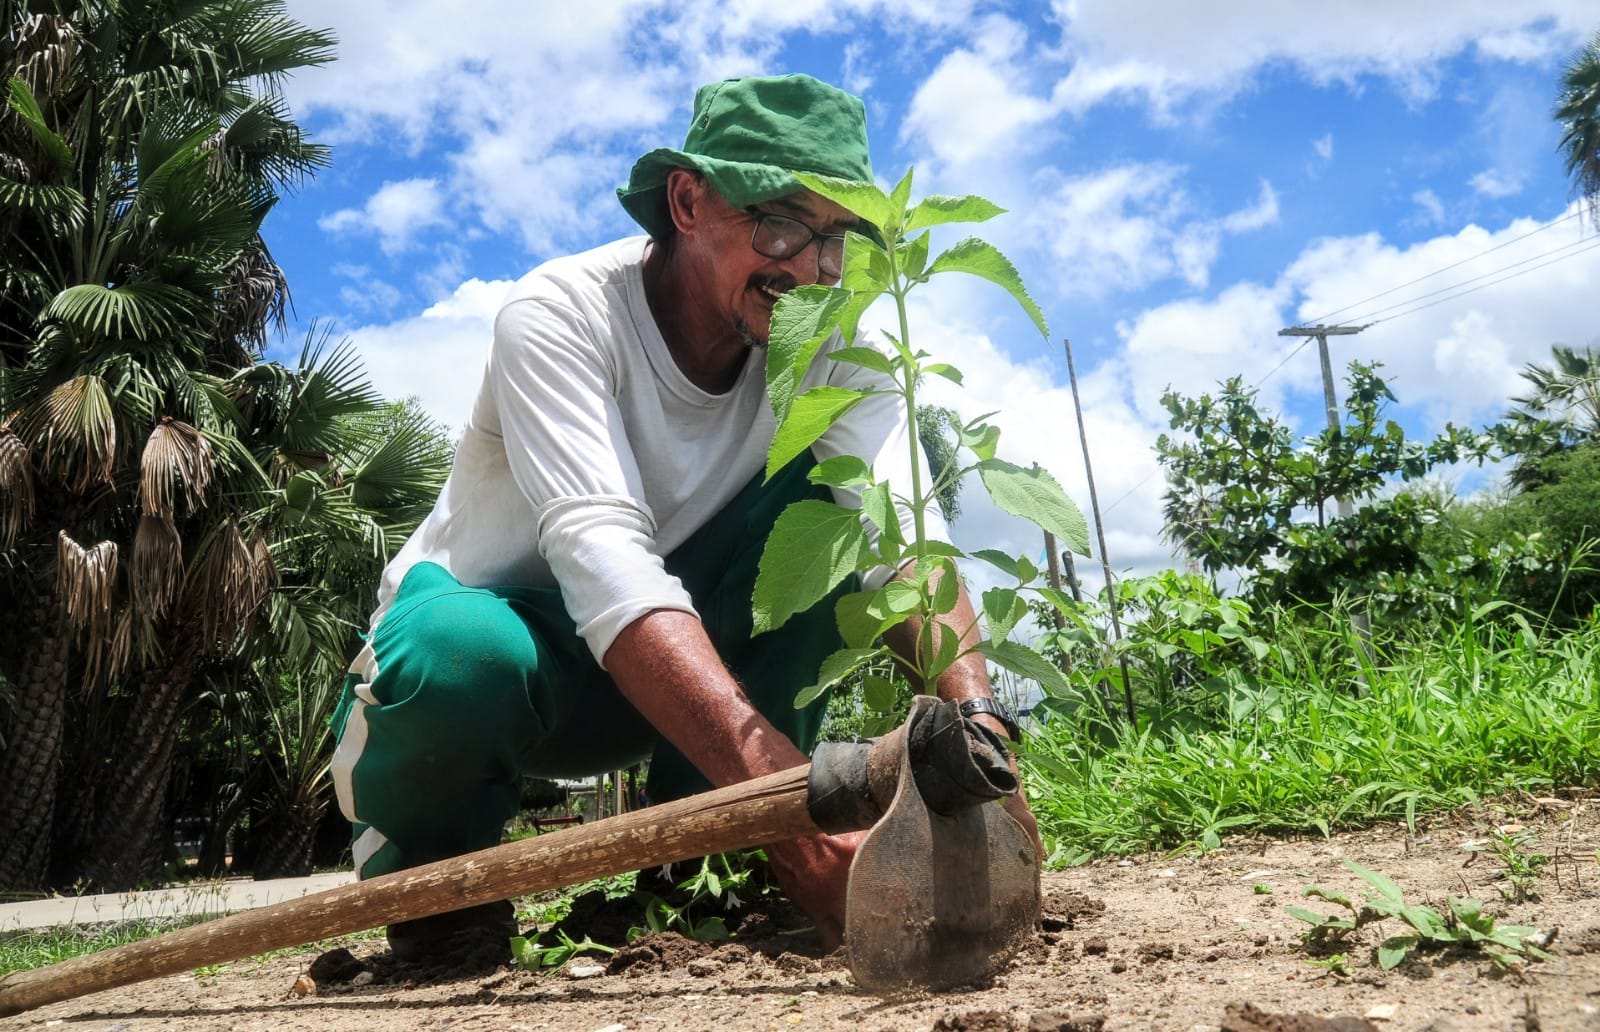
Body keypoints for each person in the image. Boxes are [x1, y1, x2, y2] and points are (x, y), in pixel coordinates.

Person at [329, 72, 1036, 967]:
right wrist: (798, 820)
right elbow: (610, 575)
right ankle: (441, 902)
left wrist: (983, 736)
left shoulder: (831, 338)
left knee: (830, 508)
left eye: (839, 241)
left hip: (682, 687)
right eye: (780, 224)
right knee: (459, 653)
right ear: (689, 201)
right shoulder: (561, 317)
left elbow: (902, 540)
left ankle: (702, 870)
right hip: (510, 668)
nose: (810, 271)